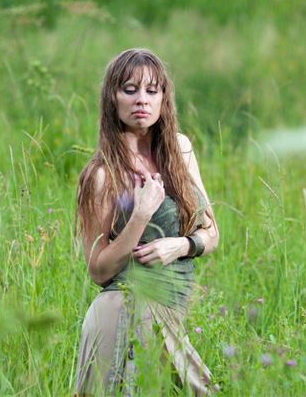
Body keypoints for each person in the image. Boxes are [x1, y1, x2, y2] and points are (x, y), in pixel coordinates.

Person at [74, 48, 219, 396]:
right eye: (130, 89)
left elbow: (212, 232)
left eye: (152, 90)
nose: (141, 99)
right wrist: (139, 216)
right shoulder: (102, 174)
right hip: (121, 308)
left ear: (163, 98)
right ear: (112, 97)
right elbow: (98, 270)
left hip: (171, 307)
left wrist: (181, 245)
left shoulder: (180, 151)